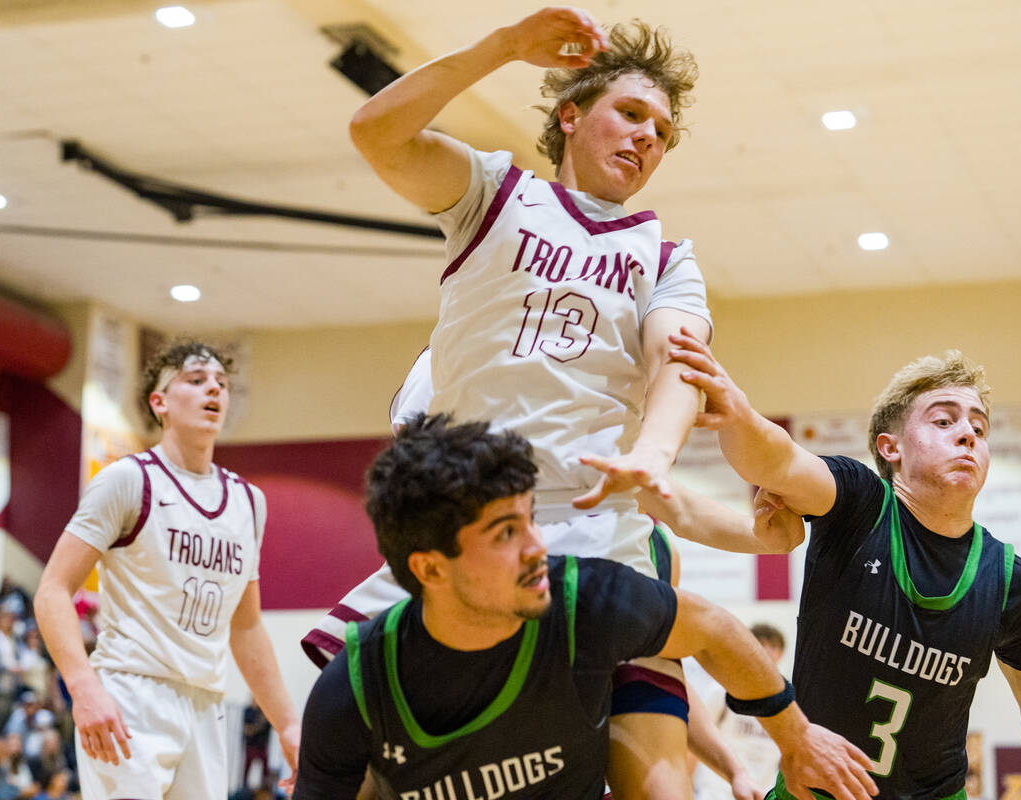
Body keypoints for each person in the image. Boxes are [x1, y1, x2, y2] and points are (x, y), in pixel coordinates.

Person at [307, 9, 769, 795]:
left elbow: (678, 363)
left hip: (596, 522)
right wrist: (504, 49)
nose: (647, 136)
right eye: (630, 112)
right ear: (570, 114)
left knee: (659, 783)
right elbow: (375, 132)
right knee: (380, 761)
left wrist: (651, 459)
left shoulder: (664, 256)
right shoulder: (494, 194)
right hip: (477, 527)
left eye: (662, 130)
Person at [595, 334, 1021, 800]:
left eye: (979, 427)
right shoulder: (860, 504)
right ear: (889, 447)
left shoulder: (1015, 584)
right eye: (944, 420)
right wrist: (739, 417)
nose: (967, 433)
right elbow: (776, 459)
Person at [294, 414, 875, 800]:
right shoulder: (358, 685)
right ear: (429, 568)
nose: (538, 545)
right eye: (505, 533)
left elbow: (715, 631)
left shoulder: (584, 597)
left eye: (529, 519)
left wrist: (794, 737)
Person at [33, 339, 300, 800]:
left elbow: (247, 626)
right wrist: (83, 688)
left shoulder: (248, 502)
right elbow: (53, 590)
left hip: (206, 703)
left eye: (221, 383)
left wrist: (288, 722)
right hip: (130, 695)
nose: (212, 390)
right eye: (195, 381)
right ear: (160, 402)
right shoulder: (127, 480)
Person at [685, 624, 786, 800]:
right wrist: (686, 787)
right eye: (761, 644)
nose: (767, 651)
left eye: (773, 646)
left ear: (781, 654)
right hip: (716, 792)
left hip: (762, 792)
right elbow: (697, 738)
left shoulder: (788, 701)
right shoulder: (721, 690)